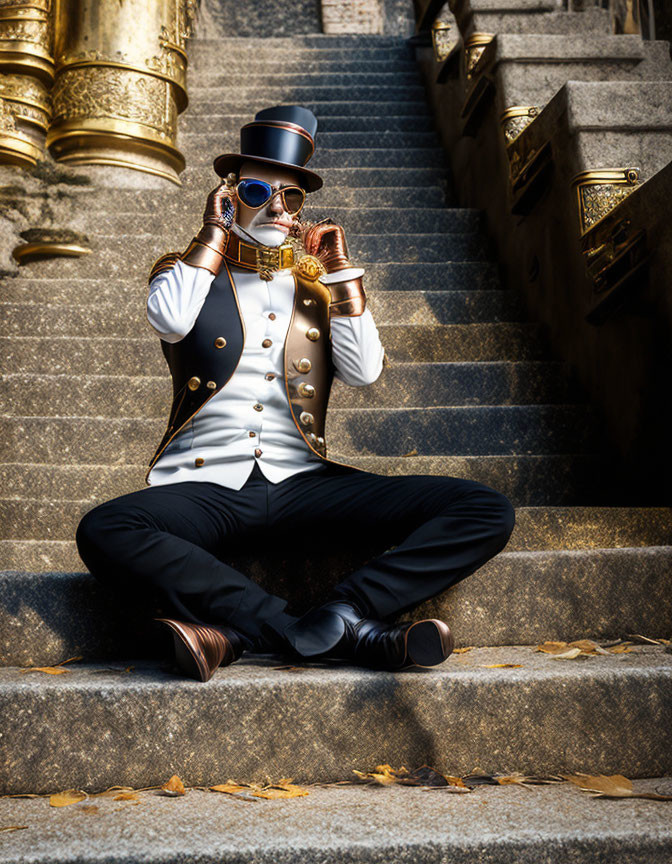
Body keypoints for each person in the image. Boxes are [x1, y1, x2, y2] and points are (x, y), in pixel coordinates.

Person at [75, 105, 516, 682]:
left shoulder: (318, 287)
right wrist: (212, 235)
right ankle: (337, 635)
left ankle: (325, 613)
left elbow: (364, 372)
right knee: (105, 529)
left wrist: (341, 275)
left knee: (483, 508)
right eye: (260, 192)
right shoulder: (184, 272)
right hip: (204, 487)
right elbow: (171, 319)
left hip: (302, 484)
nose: (279, 209)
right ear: (231, 195)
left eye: (293, 199)